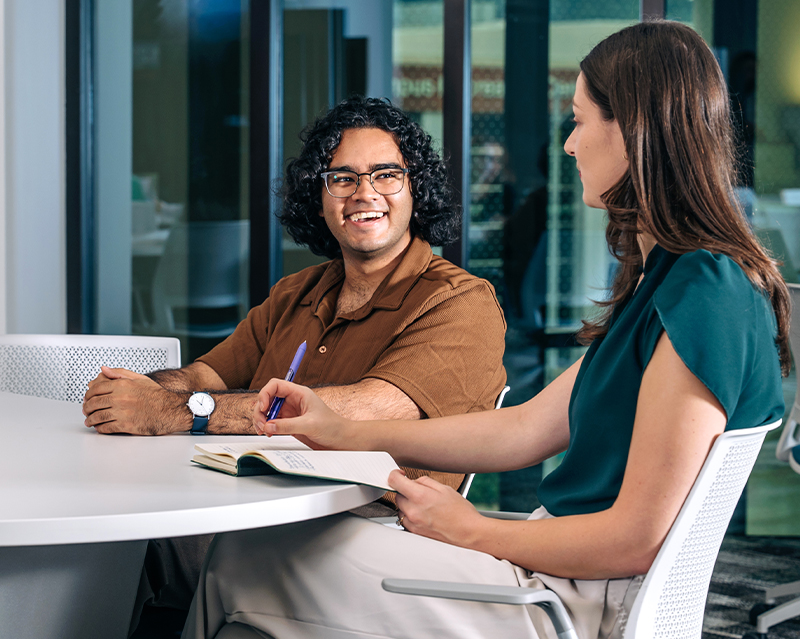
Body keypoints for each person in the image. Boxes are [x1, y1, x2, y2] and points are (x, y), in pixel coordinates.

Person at [181, 21, 790, 639]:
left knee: (242, 557)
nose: (570, 145)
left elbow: (635, 539)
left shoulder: (706, 293)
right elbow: (526, 428)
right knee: (259, 557)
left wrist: (467, 528)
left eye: (579, 121)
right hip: (553, 567)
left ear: (633, 130)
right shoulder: (671, 283)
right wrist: (345, 432)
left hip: (570, 601)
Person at [83, 96, 507, 628]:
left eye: (386, 175)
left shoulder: (460, 302)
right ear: (320, 195)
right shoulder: (298, 292)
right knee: (112, 544)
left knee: (128, 547)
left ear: (416, 187)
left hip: (364, 529)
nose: (365, 193)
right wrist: (134, 392)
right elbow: (202, 376)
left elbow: (362, 411)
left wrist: (177, 412)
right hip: (250, 502)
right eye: (343, 179)